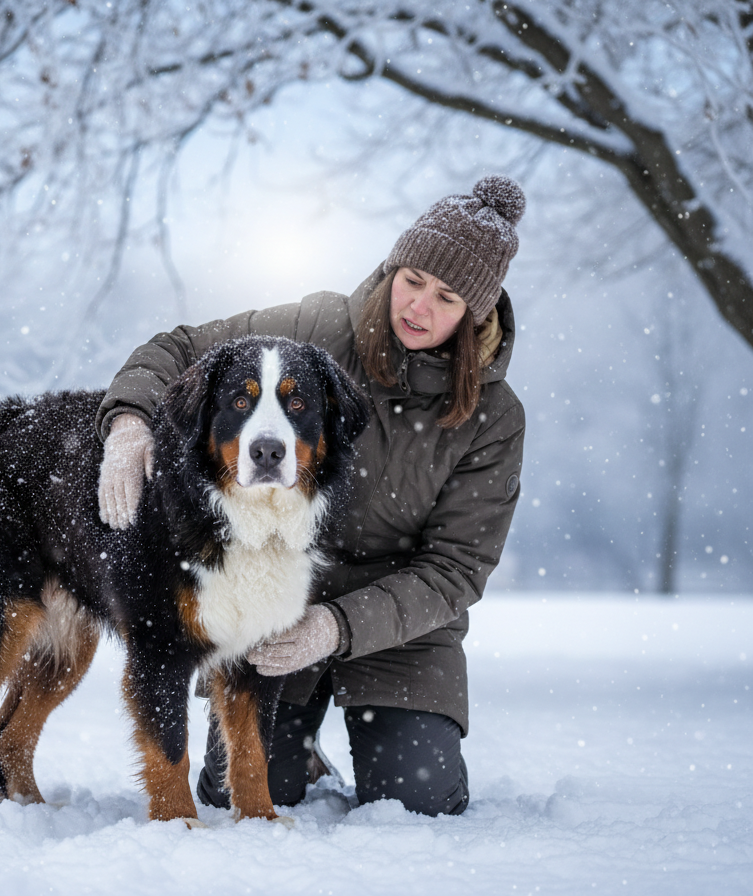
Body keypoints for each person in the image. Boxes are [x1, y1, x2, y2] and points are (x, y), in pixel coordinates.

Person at [94, 175, 527, 817]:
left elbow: (455, 570)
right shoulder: (316, 327)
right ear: (393, 267)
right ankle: (300, 744)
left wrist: (339, 626)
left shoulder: (492, 417)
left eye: (446, 297)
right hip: (273, 598)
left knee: (422, 800)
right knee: (239, 789)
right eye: (412, 279)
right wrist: (129, 421)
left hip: (397, 629)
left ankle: (377, 734)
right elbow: (180, 351)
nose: (418, 307)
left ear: (476, 312)